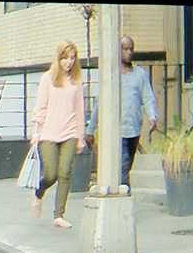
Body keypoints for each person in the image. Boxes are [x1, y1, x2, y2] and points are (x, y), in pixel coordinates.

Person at [30, 40, 90, 229]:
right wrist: (36, 132)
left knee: (65, 172)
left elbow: (79, 110)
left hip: (70, 132)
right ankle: (39, 193)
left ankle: (59, 215)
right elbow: (41, 107)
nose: (69, 62)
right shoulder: (47, 79)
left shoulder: (76, 80)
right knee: (51, 174)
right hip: (48, 133)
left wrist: (80, 137)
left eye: (72, 58)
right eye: (65, 58)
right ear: (58, 58)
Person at [87, 33, 159, 189]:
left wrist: (152, 116)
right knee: (123, 166)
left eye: (131, 49)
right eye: (125, 49)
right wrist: (90, 130)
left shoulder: (140, 74)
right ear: (118, 51)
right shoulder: (110, 75)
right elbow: (100, 103)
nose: (129, 52)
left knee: (127, 163)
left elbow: (148, 97)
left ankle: (122, 190)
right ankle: (123, 194)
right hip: (116, 130)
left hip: (133, 129)